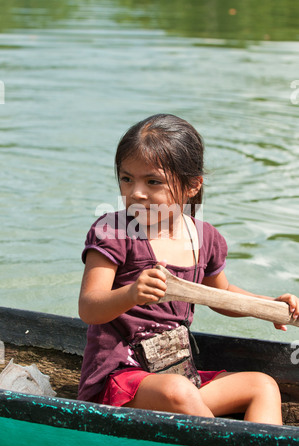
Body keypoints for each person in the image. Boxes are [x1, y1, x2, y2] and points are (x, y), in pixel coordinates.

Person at [78, 114, 299, 425]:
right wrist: (131, 294)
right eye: (127, 179)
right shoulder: (113, 232)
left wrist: (268, 306)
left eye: (152, 181)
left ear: (193, 186)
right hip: (122, 382)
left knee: (262, 386)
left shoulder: (205, 237)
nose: (136, 192)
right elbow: (89, 308)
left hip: (179, 375)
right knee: (177, 392)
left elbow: (220, 294)